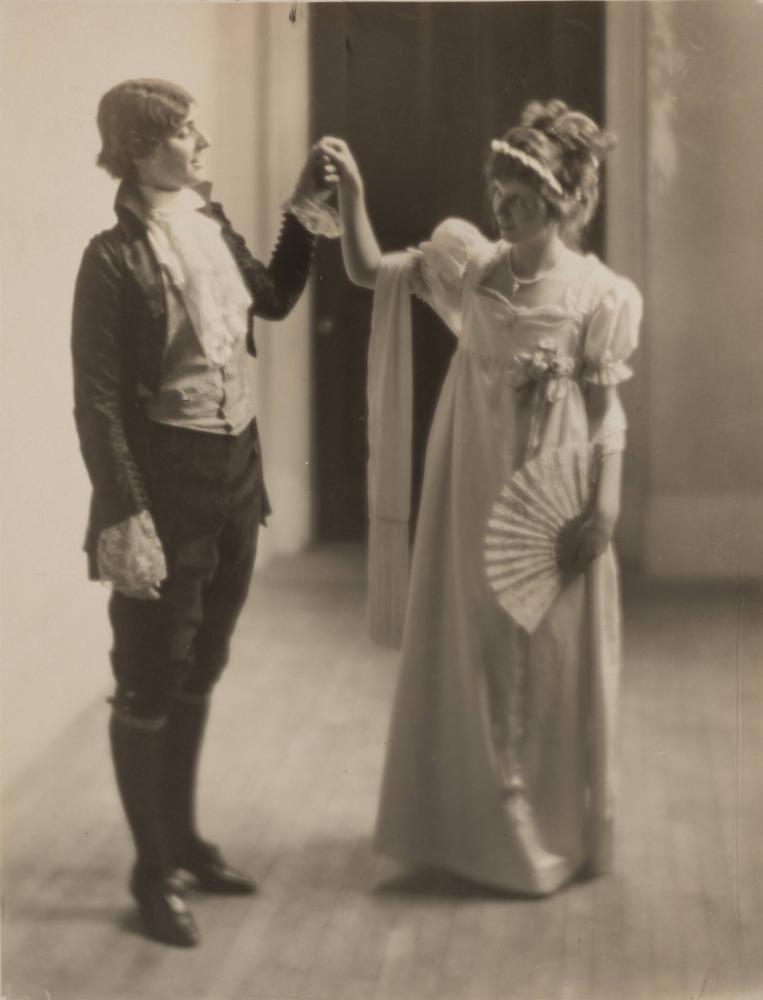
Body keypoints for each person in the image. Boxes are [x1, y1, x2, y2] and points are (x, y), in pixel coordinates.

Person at [319, 97, 643, 896]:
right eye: (498, 186)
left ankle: (546, 826)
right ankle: (469, 827)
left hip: (553, 484)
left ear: (563, 200)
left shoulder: (600, 294)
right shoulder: (470, 265)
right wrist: (354, 190)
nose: (504, 201)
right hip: (471, 476)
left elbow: (607, 413)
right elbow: (367, 273)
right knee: (474, 643)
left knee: (546, 649)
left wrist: (603, 506)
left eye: (522, 189)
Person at [72, 78, 336, 946]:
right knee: (150, 673)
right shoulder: (110, 258)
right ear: (141, 149)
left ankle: (181, 840)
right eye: (183, 132)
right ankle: (152, 874)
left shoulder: (209, 226)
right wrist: (125, 513)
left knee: (203, 660)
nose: (199, 143)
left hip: (233, 471)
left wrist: (305, 210)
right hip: (164, 487)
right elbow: (100, 402)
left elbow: (274, 297)